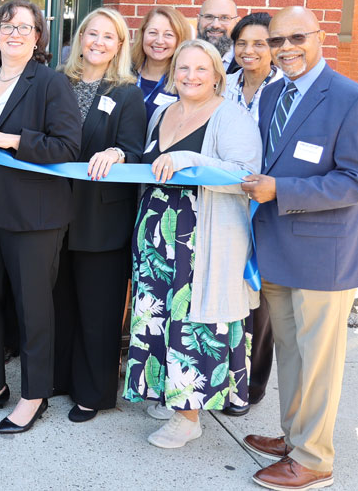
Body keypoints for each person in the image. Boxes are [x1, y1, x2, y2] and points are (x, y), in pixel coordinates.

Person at [241, 7, 358, 490]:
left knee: (318, 363)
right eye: (277, 40)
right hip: (277, 250)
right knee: (291, 355)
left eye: (297, 37)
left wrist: (281, 190)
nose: (286, 48)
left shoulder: (352, 99)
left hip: (325, 256)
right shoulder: (272, 93)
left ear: (320, 37)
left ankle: (315, 460)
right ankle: (294, 437)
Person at [0, 0, 81, 434]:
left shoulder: (50, 83)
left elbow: (66, 148)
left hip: (33, 214)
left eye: (24, 27)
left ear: (38, 36)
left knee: (32, 304)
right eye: (6, 25)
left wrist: (11, 140)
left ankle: (34, 394)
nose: (14, 33)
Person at [123, 39, 261, 449]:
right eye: (183, 68)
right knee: (159, 316)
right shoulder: (164, 113)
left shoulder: (231, 117)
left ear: (217, 75)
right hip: (156, 234)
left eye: (201, 69)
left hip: (204, 237)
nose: (190, 76)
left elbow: (245, 173)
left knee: (192, 320)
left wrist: (191, 159)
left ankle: (189, 417)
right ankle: (171, 395)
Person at [50, 8, 146, 423]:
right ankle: (60, 379)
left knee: (98, 309)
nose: (99, 42)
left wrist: (117, 152)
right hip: (54, 213)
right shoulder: (57, 82)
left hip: (101, 218)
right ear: (80, 37)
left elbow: (136, 149)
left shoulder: (127, 92)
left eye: (109, 37)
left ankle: (93, 392)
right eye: (93, 33)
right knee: (61, 303)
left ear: (120, 46)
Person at [217, 11, 281, 416]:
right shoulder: (226, 84)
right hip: (230, 199)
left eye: (260, 43)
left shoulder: (285, 87)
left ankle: (252, 384)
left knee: (263, 299)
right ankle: (224, 375)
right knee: (231, 290)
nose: (249, 50)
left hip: (270, 200)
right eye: (242, 43)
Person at [132, 6, 193, 119]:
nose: (159, 41)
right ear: (142, 35)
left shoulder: (185, 81)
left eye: (168, 35)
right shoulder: (125, 73)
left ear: (179, 40)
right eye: (153, 33)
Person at [196, 0, 240, 70]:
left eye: (224, 18)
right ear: (198, 20)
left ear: (237, 22)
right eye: (209, 17)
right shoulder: (182, 57)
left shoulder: (245, 64)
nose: (215, 25)